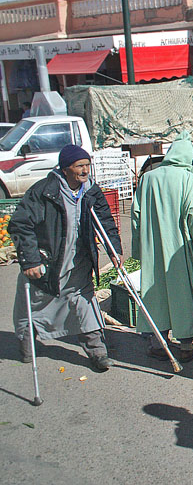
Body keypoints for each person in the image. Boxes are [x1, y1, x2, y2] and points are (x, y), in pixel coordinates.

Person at [9, 145, 120, 371]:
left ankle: (97, 352)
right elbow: (20, 224)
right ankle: (27, 345)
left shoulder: (91, 191)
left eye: (88, 165)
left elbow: (105, 221)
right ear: (66, 168)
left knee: (84, 302)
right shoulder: (44, 191)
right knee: (35, 306)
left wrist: (114, 250)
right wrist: (30, 261)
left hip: (78, 261)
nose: (85, 170)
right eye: (79, 166)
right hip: (48, 263)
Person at [132, 133, 193, 363]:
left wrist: (138, 250)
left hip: (153, 248)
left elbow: (136, 218)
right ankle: (186, 346)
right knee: (183, 292)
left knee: (155, 292)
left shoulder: (148, 178)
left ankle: (158, 342)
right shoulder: (188, 180)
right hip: (180, 248)